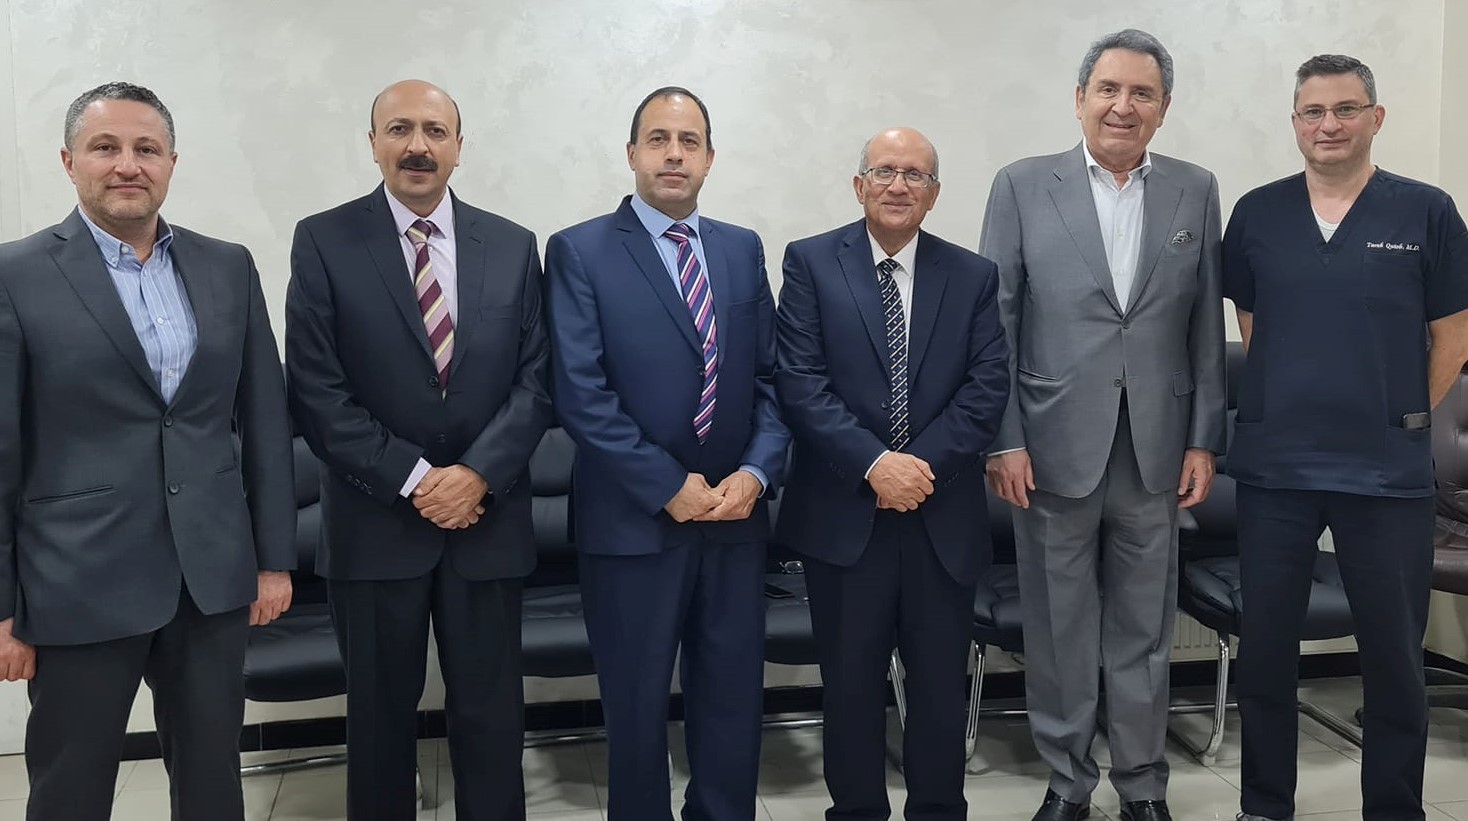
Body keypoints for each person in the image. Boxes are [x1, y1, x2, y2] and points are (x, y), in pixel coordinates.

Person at [0, 81, 296, 821]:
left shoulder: (228, 266)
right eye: (105, 147)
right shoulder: (15, 274)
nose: (127, 164)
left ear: (171, 163)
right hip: (77, 580)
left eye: (147, 148)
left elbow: (265, 421)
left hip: (210, 578)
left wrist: (272, 559)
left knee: (213, 781)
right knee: (70, 790)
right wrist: (1, 607)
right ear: (69, 161)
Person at [286, 79, 551, 820]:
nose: (417, 145)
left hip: (487, 524)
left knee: (492, 716)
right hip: (374, 526)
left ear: (460, 147)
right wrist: (417, 480)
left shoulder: (512, 244)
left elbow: (537, 382)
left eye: (435, 130)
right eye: (399, 128)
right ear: (372, 143)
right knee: (378, 723)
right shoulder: (324, 240)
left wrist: (476, 476)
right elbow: (317, 392)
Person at [979, 29, 1227, 821]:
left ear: (1163, 107)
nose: (1124, 106)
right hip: (1050, 450)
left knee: (1145, 628)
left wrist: (1204, 437)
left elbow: (1204, 324)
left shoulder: (1194, 189)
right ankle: (1067, 782)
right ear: (1080, 98)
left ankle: (1143, 784)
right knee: (1058, 627)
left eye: (1141, 93)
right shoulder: (1022, 186)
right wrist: (1004, 437)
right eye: (1109, 90)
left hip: (1157, 450)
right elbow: (996, 324)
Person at [1224, 54, 1468, 821]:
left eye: (1346, 108)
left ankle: (1394, 808)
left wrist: (1397, 415)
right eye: (1313, 111)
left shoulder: (1426, 211)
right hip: (1276, 472)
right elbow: (1254, 326)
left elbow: (1453, 338)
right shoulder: (1257, 213)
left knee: (1393, 657)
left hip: (1387, 473)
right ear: (1295, 121)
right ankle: (1265, 804)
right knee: (1267, 650)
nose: (1329, 124)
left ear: (1375, 117)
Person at [544, 86, 788, 821]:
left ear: (710, 158)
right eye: (658, 139)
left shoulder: (741, 248)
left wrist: (756, 473)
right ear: (632, 154)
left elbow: (772, 380)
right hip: (633, 523)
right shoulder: (579, 250)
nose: (674, 154)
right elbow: (580, 392)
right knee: (636, 705)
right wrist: (665, 484)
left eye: (689, 141)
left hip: (733, 521)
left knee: (732, 698)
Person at [774, 127, 1009, 821]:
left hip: (941, 517)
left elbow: (986, 388)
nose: (899, 185)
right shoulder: (811, 263)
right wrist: (876, 465)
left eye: (915, 175)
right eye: (884, 171)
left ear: (934, 195)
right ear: (859, 185)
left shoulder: (973, 275)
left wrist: (916, 469)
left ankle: (938, 810)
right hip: (845, 516)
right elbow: (800, 384)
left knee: (939, 689)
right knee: (850, 688)